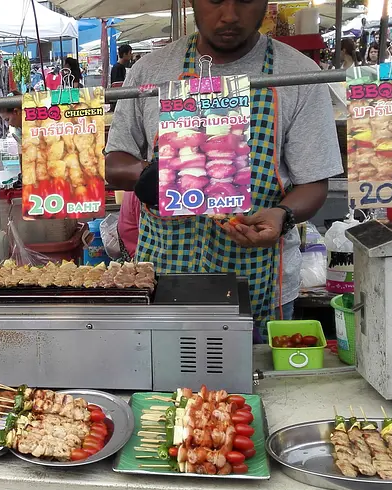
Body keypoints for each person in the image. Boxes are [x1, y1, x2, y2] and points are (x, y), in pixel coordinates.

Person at [105, 0, 341, 334]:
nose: (229, 15)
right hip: (162, 282)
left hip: (260, 285)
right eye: (215, 0)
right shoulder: (150, 72)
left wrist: (283, 214)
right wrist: (152, 173)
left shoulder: (298, 75)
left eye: (244, 0)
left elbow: (314, 182)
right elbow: (114, 163)